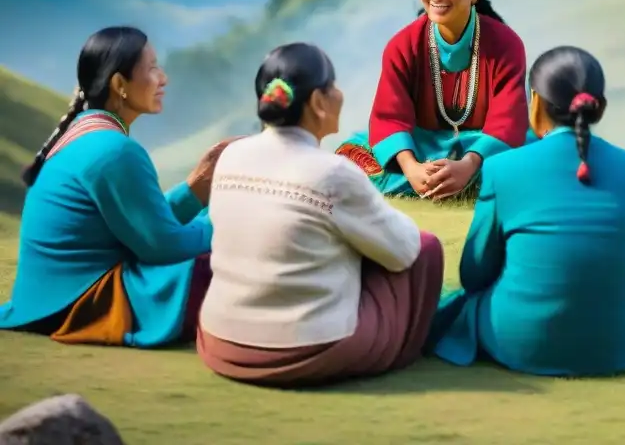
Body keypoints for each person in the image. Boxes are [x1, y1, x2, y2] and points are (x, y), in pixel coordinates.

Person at [196, 42, 444, 387]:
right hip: (305, 350)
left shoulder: (230, 155)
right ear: (317, 102)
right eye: (334, 87)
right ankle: (404, 350)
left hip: (220, 341)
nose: (340, 94)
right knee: (426, 247)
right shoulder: (333, 173)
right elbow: (404, 250)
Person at [427, 46, 625, 376]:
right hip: (617, 344)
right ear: (599, 106)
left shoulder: (502, 168)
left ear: (535, 101)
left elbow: (475, 274)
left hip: (519, 340)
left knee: (462, 302)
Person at [0, 26, 231, 347]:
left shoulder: (87, 134)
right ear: (120, 84)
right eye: (152, 68)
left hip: (47, 298)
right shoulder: (113, 149)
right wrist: (231, 217)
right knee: (232, 263)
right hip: (83, 301)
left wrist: (197, 188)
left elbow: (142, 222)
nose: (163, 79)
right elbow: (164, 246)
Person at [337, 0, 529, 200]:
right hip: (419, 146)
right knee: (352, 155)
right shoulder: (403, 45)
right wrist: (411, 168)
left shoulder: (507, 45)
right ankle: (443, 184)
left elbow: (508, 120)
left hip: (483, 145)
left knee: (531, 153)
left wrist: (469, 165)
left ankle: (458, 181)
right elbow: (389, 117)